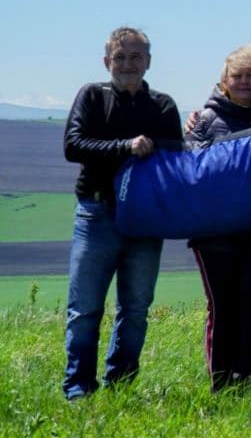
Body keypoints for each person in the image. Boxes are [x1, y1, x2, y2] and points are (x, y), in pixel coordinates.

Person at [62, 27, 182, 400]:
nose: (127, 64)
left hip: (146, 220)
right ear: (106, 61)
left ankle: (121, 388)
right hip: (97, 213)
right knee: (84, 309)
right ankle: (78, 389)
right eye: (120, 57)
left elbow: (177, 153)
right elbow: (73, 145)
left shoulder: (162, 105)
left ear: (148, 61)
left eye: (135, 57)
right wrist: (126, 147)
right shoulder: (92, 96)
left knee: (135, 309)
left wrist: (153, 145)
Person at [185, 42, 251, 393]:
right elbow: (192, 168)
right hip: (216, 235)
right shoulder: (206, 120)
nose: (243, 82)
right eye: (236, 76)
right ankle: (221, 385)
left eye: (250, 76)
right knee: (224, 308)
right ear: (224, 81)